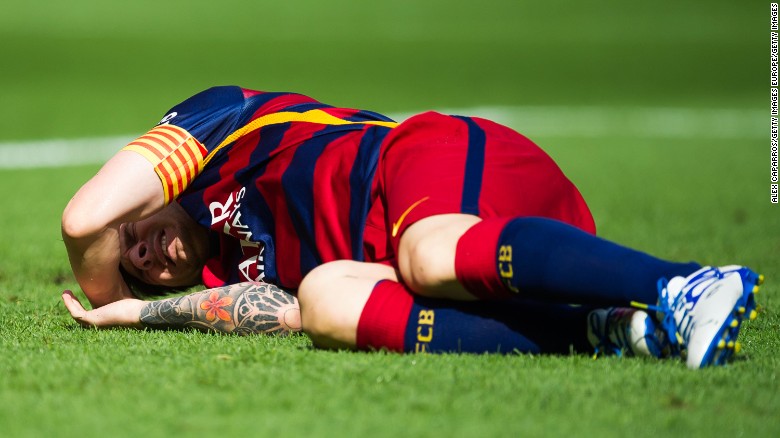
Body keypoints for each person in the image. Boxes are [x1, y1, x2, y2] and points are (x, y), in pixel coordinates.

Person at [61, 86, 764, 369]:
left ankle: (688, 284)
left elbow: (81, 219)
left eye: (134, 237)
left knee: (426, 254)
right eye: (141, 269)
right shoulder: (216, 277)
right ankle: (611, 330)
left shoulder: (224, 126)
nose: (146, 255)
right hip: (474, 264)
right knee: (326, 304)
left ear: (142, 201)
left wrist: (101, 275)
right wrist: (135, 311)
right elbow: (272, 310)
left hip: (429, 165)